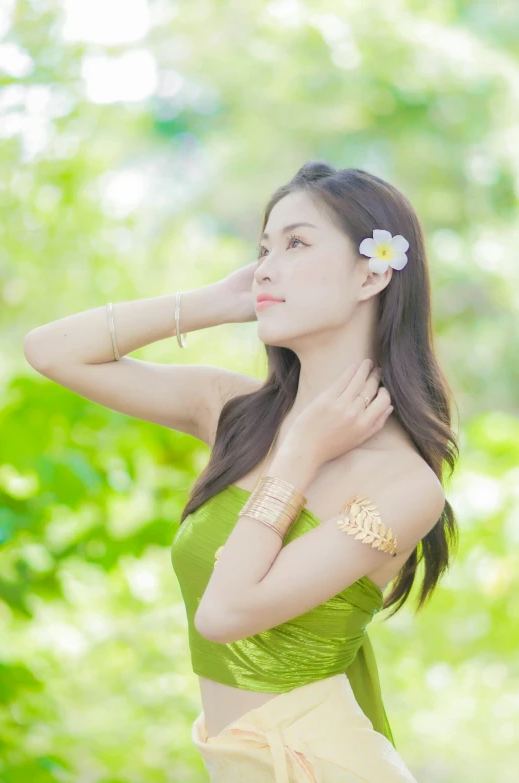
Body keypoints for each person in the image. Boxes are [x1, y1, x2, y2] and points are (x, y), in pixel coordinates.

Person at [24, 162, 459, 782]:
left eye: (297, 243)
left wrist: (297, 458)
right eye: (263, 248)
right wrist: (215, 302)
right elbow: (50, 350)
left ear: (371, 272)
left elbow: (225, 613)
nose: (267, 266)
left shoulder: (404, 485)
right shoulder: (234, 413)